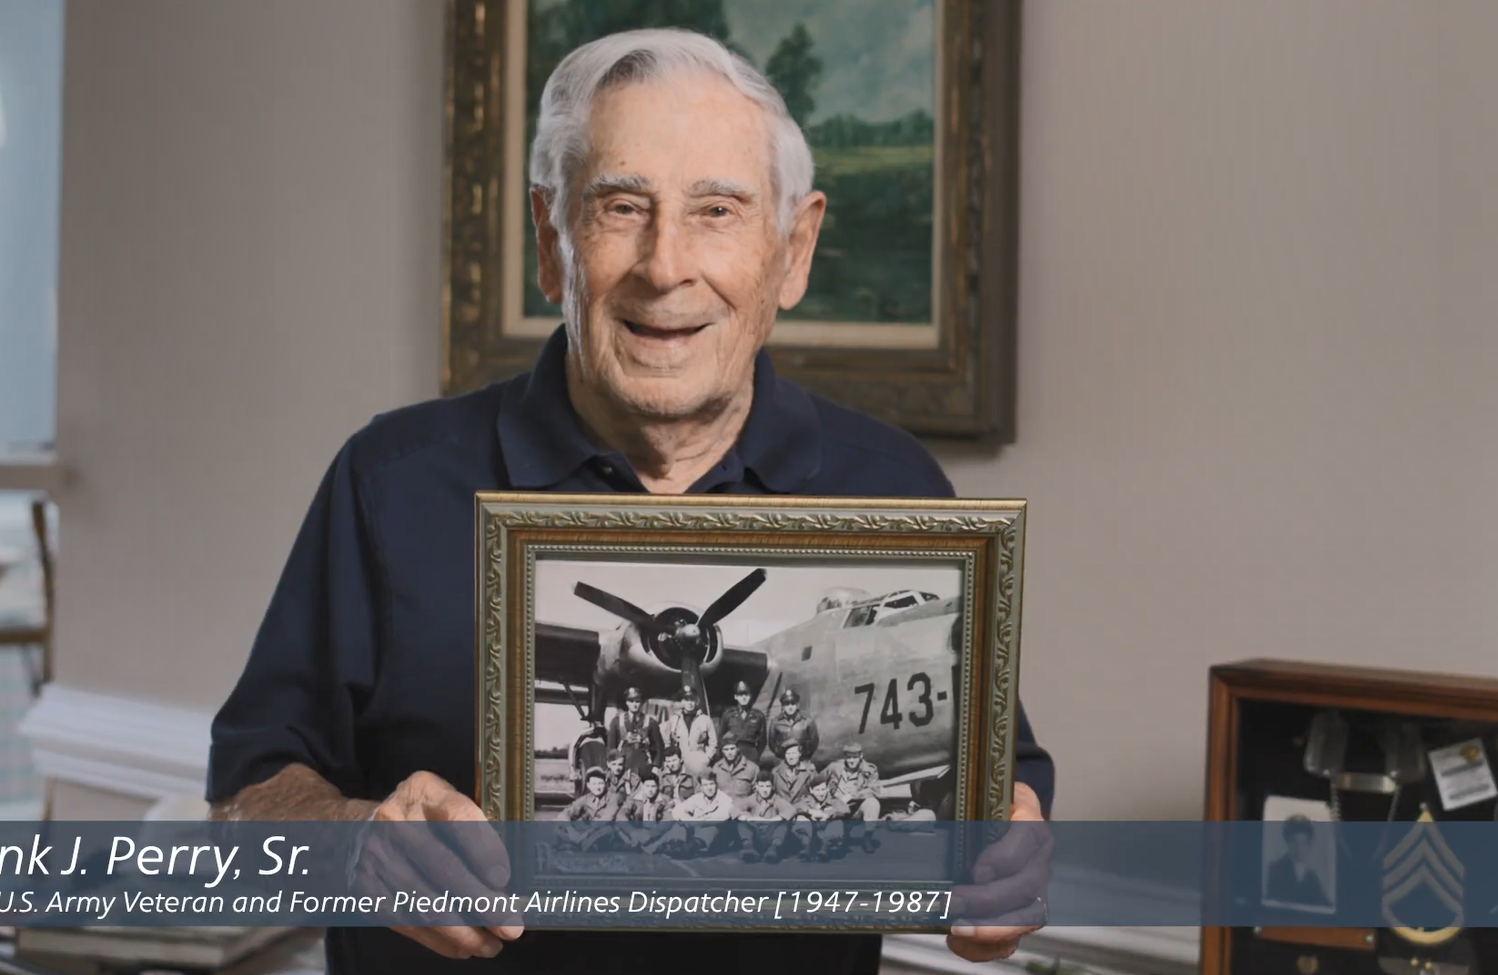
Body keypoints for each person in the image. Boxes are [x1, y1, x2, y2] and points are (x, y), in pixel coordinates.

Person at [206, 26, 1054, 973]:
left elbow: (987, 779)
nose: (665, 265)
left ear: (795, 248)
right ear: (551, 240)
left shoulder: (897, 491)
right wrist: (358, 840)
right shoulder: (389, 481)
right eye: (620, 207)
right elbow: (245, 796)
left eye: (719, 210)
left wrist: (1002, 858)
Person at [824, 743, 883, 853]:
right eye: (849, 757)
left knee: (873, 803)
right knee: (835, 843)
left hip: (856, 808)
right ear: (844, 757)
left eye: (855, 757)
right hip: (837, 808)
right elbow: (818, 782)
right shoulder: (833, 767)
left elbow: (874, 791)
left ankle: (867, 837)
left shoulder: (870, 770)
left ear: (861, 756)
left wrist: (853, 795)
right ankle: (839, 836)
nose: (851, 761)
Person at [735, 771, 798, 863]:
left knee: (784, 824)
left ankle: (773, 849)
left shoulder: (777, 799)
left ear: (772, 787)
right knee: (741, 824)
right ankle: (749, 848)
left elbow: (791, 810)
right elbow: (734, 809)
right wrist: (745, 817)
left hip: (771, 835)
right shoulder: (752, 799)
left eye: (768, 786)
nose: (765, 790)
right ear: (756, 786)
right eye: (762, 786)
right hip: (756, 836)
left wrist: (774, 819)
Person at [1266, 817, 1330, 908]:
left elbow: (1324, 905)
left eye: (1303, 843)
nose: (1299, 848)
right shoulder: (1275, 870)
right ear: (1287, 842)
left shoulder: (1311, 878)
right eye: (1294, 842)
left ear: (1308, 844)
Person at [791, 773, 850, 862]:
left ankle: (825, 849)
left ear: (827, 789)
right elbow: (794, 807)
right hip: (811, 834)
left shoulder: (833, 801)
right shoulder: (806, 800)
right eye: (817, 790)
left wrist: (827, 814)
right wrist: (809, 811)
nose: (821, 793)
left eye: (823, 789)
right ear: (811, 790)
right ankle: (806, 847)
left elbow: (846, 810)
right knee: (801, 818)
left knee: (837, 822)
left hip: (826, 835)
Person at [558, 767, 620, 852]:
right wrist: (570, 829)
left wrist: (585, 834)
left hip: (601, 832)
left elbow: (607, 818)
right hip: (587, 832)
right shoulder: (586, 798)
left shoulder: (613, 797)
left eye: (600, 783)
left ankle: (577, 846)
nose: (597, 787)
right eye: (594, 784)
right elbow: (565, 813)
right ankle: (580, 845)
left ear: (605, 784)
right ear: (588, 785)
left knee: (607, 830)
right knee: (559, 827)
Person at [608, 686, 663, 778]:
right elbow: (611, 747)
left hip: (644, 766)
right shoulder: (617, 722)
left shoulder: (651, 722)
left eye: (637, 701)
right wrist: (612, 766)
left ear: (641, 703)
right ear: (627, 703)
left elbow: (659, 747)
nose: (635, 704)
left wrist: (656, 766)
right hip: (623, 767)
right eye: (631, 701)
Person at [663, 685, 717, 778]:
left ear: (696, 701)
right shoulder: (674, 720)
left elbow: (713, 743)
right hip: (680, 764)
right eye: (686, 700)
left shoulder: (705, 719)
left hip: (699, 763)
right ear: (682, 701)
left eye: (692, 700)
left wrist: (707, 758)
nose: (690, 703)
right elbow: (667, 741)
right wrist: (672, 760)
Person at [718, 680, 766, 764]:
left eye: (746, 694)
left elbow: (763, 740)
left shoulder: (758, 716)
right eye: (740, 695)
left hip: (751, 755)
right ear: (735, 697)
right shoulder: (728, 715)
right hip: (733, 755)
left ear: (750, 696)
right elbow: (721, 737)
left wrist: (756, 754)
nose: (744, 697)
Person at [767, 688, 818, 765]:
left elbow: (814, 741)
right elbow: (772, 743)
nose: (790, 707)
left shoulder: (807, 720)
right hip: (783, 761)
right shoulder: (776, 722)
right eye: (787, 704)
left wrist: (804, 754)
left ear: (797, 705)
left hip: (803, 760)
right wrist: (782, 754)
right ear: (783, 706)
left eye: (793, 703)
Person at [771, 739, 814, 806]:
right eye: (788, 753)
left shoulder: (809, 772)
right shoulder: (775, 772)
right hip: (781, 810)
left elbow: (819, 792)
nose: (791, 757)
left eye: (794, 753)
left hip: (802, 811)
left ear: (800, 754)